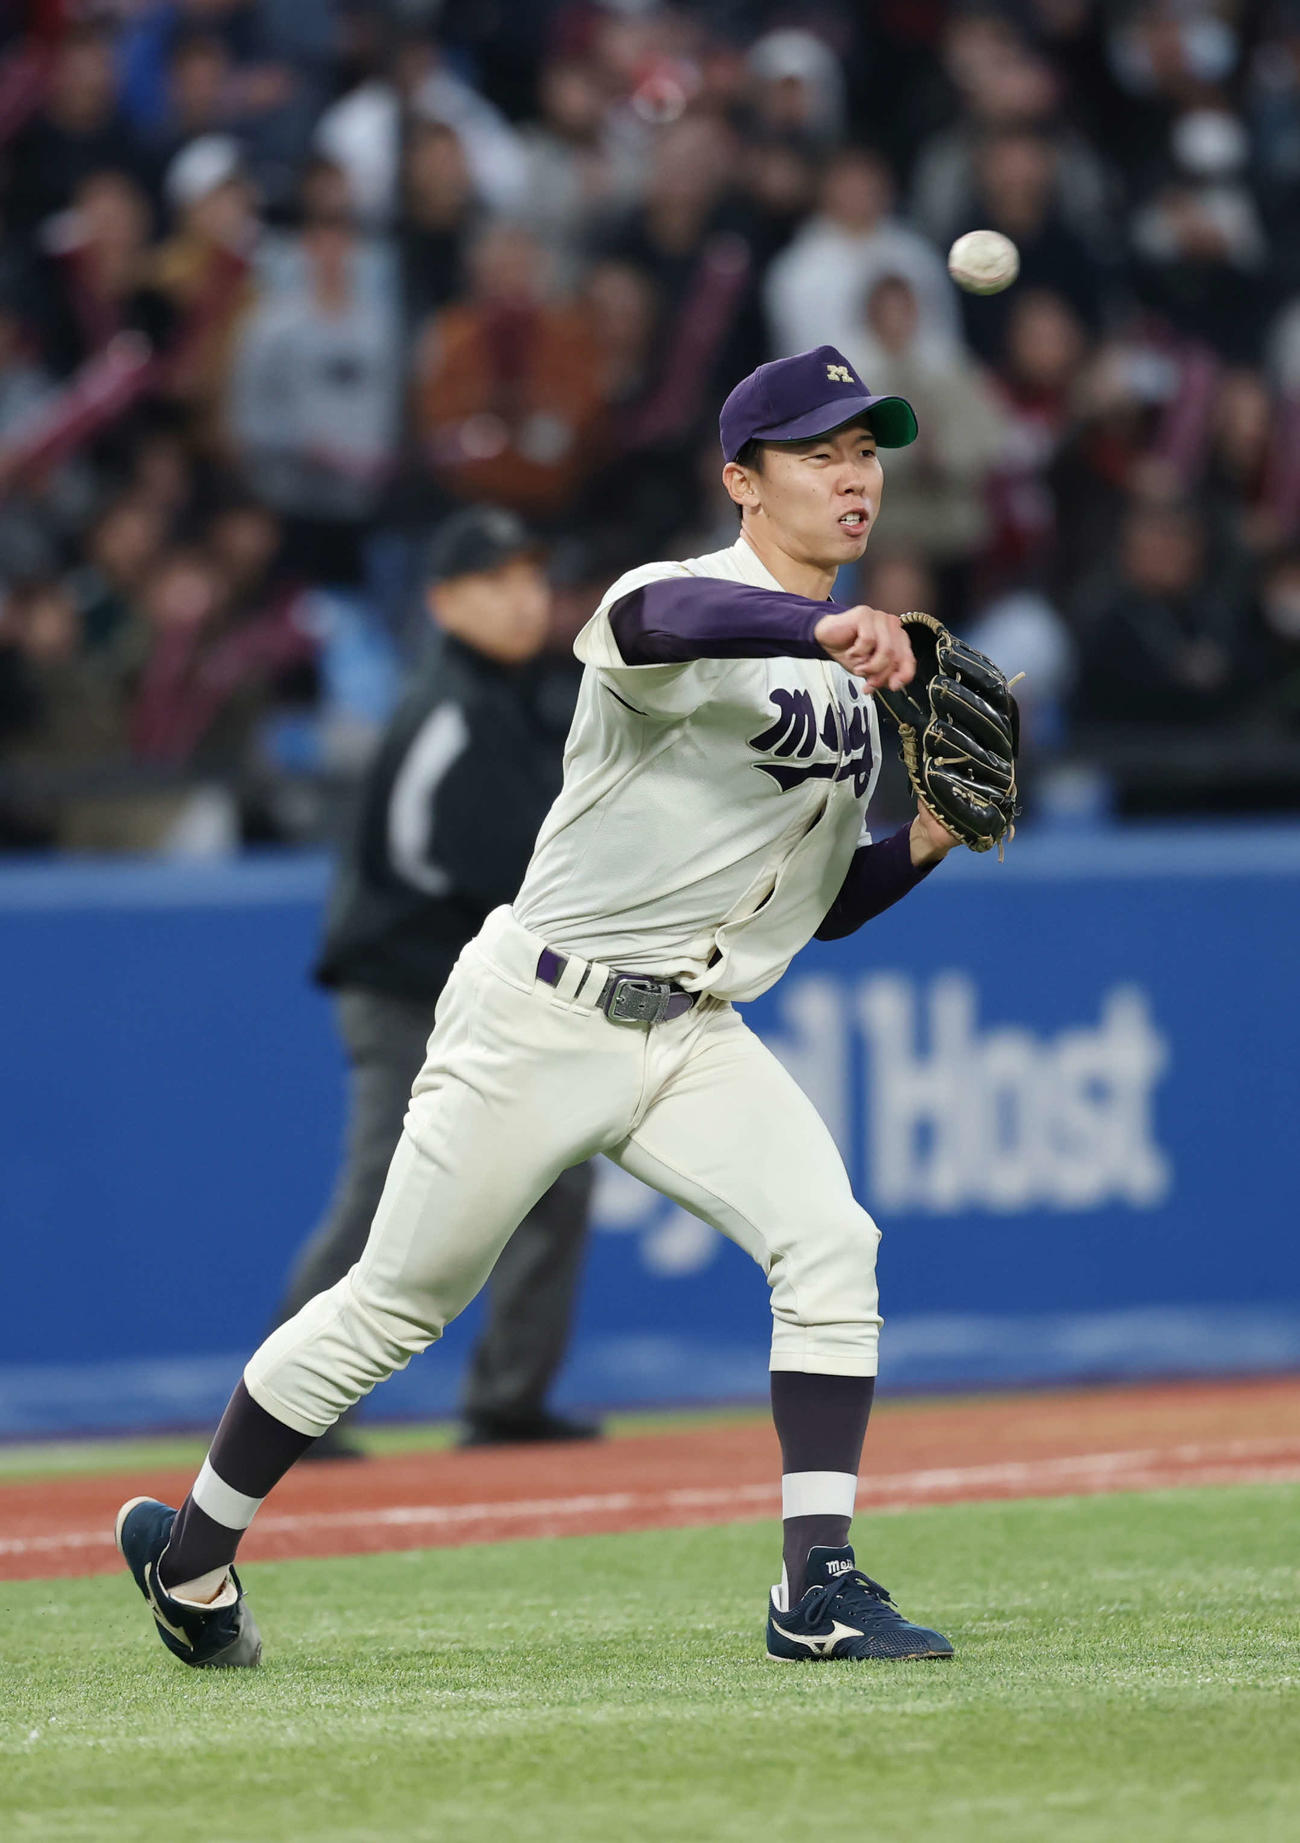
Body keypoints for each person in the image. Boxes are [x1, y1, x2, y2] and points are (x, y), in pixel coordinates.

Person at [116, 344, 966, 1670]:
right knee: (392, 1306)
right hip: (541, 1013)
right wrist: (819, 627)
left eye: (866, 453)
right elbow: (656, 628)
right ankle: (192, 1556)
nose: (854, 477)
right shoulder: (678, 599)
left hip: (693, 1030)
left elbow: (820, 905)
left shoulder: (855, 710)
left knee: (831, 1242)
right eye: (819, 454)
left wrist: (926, 841)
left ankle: (819, 1586)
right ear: (742, 479)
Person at [273, 505, 599, 1454]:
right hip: (409, 988)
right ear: (443, 602)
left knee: (556, 1180)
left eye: (532, 577)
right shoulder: (447, 710)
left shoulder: (526, 695)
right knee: (385, 1196)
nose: (523, 598)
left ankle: (509, 1398)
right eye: (496, 581)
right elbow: (451, 865)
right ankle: (287, 1407)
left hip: (488, 988)